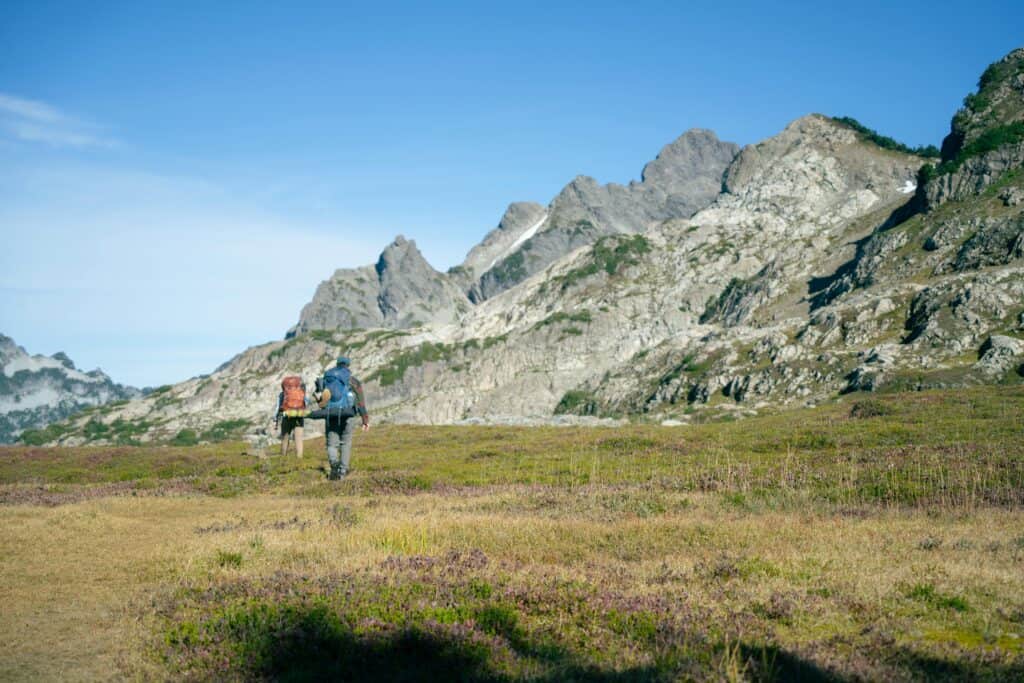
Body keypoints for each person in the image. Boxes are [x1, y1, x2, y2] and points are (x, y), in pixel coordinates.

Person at [314, 356, 369, 480]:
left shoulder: (327, 379)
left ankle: (334, 466)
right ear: (348, 366)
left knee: (331, 444)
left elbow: (320, 398)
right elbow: (361, 402)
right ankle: (342, 472)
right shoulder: (352, 380)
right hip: (347, 414)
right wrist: (365, 420)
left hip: (330, 414)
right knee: (346, 443)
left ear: (337, 364)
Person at [275, 375, 307, 458]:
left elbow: (278, 407)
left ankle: (283, 457)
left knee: (285, 438)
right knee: (298, 439)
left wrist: (276, 418)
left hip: (287, 416)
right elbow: (306, 402)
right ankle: (299, 459)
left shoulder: (283, 394)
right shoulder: (301, 392)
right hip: (299, 416)